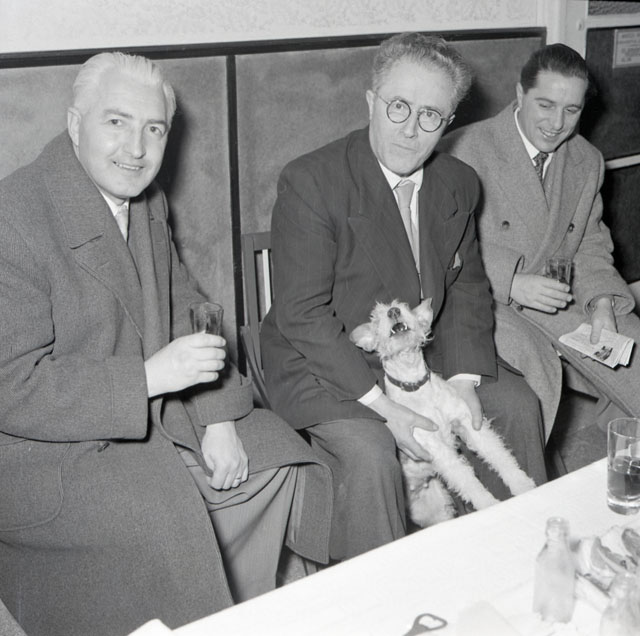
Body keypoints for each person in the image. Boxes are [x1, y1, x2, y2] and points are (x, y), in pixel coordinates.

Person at [0, 52, 331, 636]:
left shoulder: (146, 200)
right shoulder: (14, 216)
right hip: (42, 456)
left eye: (153, 129)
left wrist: (219, 416)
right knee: (162, 522)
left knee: (281, 455)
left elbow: (186, 306)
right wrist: (150, 378)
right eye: (116, 122)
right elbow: (10, 386)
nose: (136, 148)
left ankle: (236, 610)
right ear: (75, 124)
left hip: (144, 413)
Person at [261, 32, 547, 562]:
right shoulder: (312, 181)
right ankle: (380, 592)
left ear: (450, 120)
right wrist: (384, 407)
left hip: (421, 355)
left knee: (515, 405)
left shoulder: (459, 183)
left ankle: (512, 559)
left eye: (431, 115)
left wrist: (462, 379)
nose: (411, 129)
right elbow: (302, 315)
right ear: (371, 101)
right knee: (372, 451)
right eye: (398, 106)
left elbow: (466, 285)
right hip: (327, 362)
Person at [439, 43, 640, 437]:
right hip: (483, 296)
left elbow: (589, 243)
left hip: (559, 295)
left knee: (631, 350)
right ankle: (528, 471)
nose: (557, 123)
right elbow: (440, 247)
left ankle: (618, 454)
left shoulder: (587, 160)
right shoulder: (461, 150)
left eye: (572, 110)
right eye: (545, 105)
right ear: (520, 94)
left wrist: (601, 301)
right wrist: (511, 282)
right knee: (537, 373)